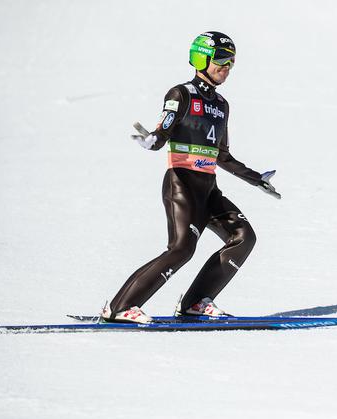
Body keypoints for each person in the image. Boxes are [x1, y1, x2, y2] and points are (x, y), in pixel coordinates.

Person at [101, 31, 280, 323]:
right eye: (221, 59)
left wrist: (255, 178)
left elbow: (221, 155)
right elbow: (162, 133)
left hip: (208, 188)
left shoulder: (222, 105)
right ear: (202, 58)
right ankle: (121, 307)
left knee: (243, 236)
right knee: (182, 248)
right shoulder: (181, 94)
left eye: (231, 62)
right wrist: (151, 141)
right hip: (181, 183)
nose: (227, 67)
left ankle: (195, 303)